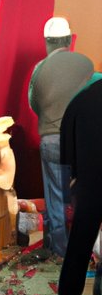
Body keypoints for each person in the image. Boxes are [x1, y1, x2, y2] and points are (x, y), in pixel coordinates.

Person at [28, 17, 94, 258]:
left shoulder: (40, 68)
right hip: (81, 140)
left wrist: (50, 116)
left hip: (52, 139)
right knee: (83, 193)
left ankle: (60, 251)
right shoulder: (86, 64)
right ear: (68, 39)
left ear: (47, 42)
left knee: (55, 196)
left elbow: (33, 103)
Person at [57, 74, 102, 295]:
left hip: (89, 185)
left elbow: (66, 144)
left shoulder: (84, 97)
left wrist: (73, 177)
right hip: (89, 182)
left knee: (79, 245)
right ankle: (101, 293)